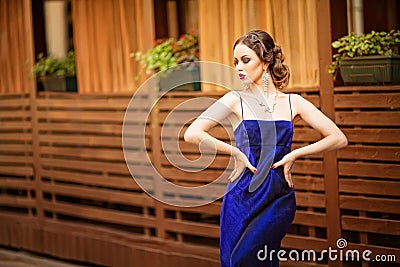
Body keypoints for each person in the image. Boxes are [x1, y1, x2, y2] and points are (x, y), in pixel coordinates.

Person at [184, 29, 347, 267]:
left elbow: (338, 138)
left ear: (266, 61)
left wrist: (295, 154)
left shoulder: (293, 102)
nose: (238, 67)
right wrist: (236, 153)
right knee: (234, 262)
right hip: (241, 195)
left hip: (277, 195)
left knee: (246, 259)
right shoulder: (235, 100)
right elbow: (192, 133)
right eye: (235, 62)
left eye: (245, 60)